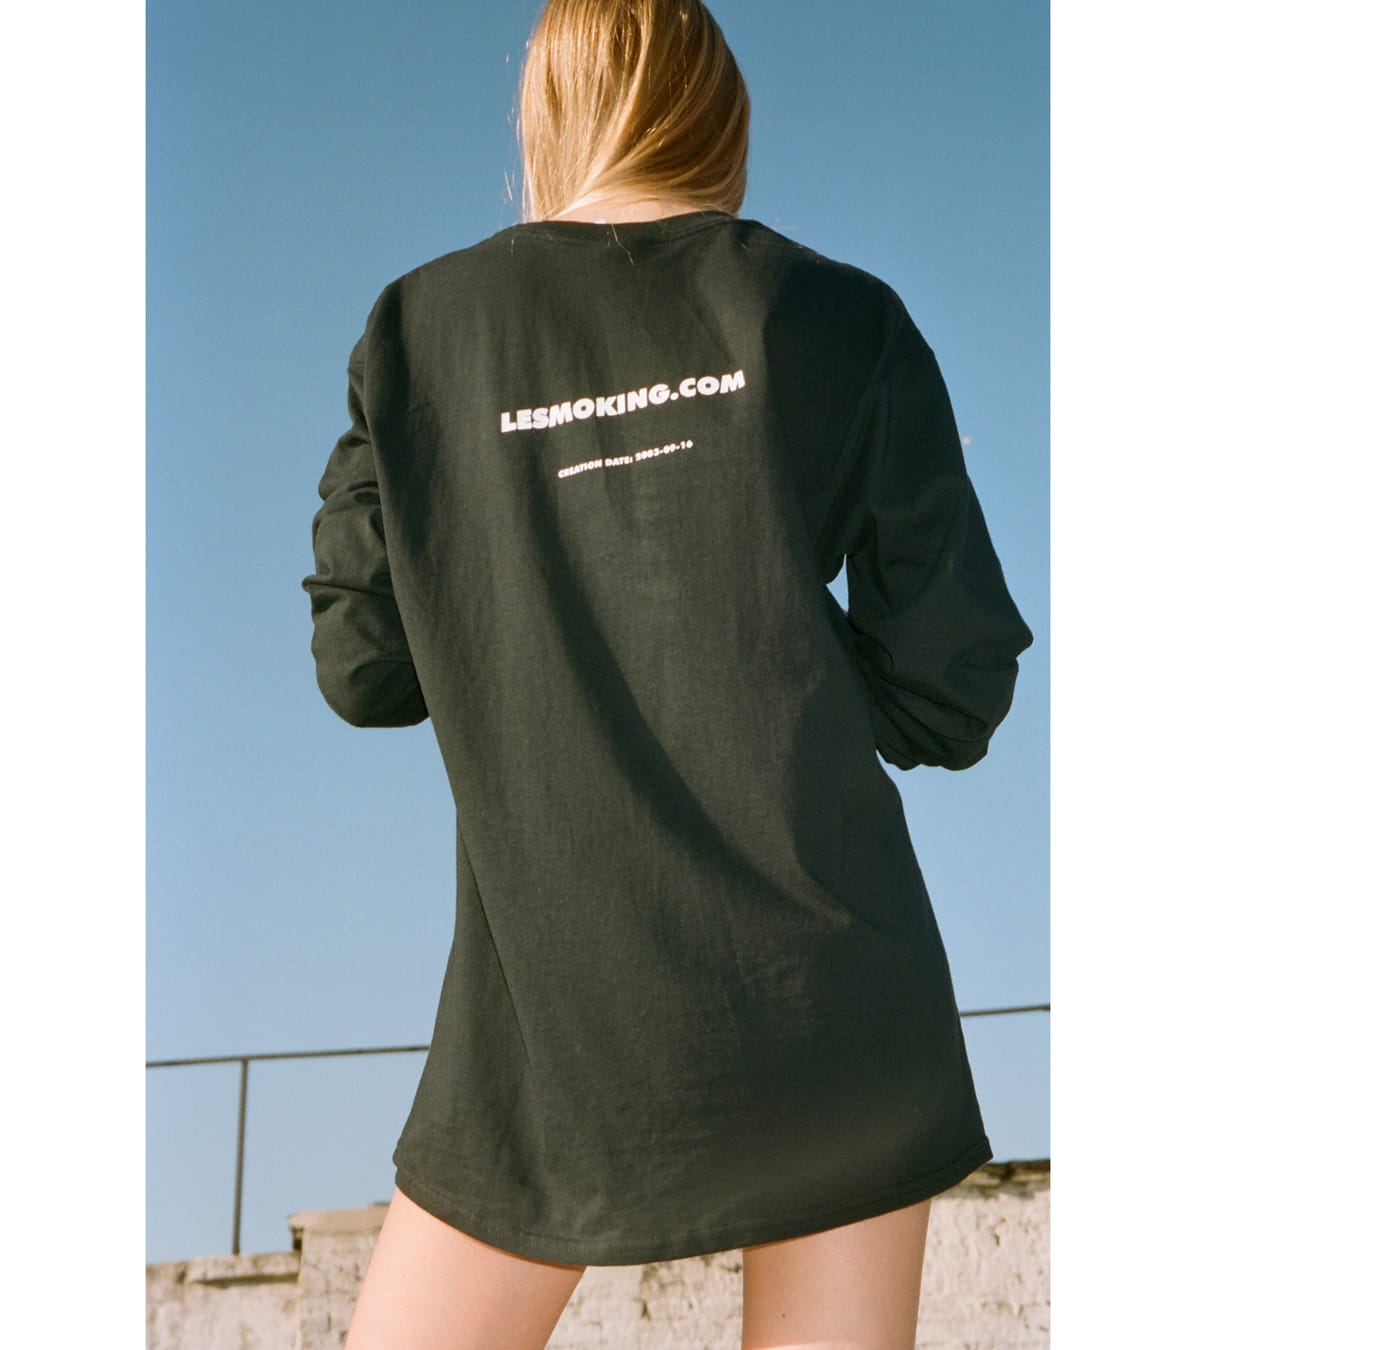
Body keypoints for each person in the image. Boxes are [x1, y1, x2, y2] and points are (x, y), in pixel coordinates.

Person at [300, 1, 1035, 1345]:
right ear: (720, 111)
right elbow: (955, 686)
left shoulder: (417, 330)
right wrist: (763, 647)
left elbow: (362, 665)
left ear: (546, 110)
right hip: (837, 1015)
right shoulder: (844, 315)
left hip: (555, 1027)